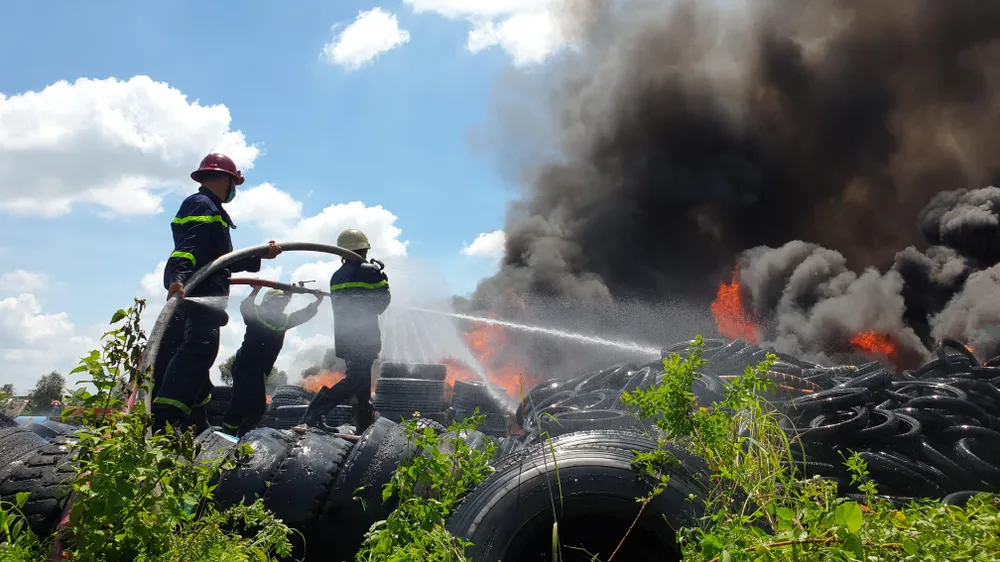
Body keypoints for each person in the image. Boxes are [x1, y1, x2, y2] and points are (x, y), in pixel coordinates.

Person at [151, 153, 282, 435]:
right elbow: (189, 246)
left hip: (203, 291)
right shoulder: (202, 204)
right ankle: (164, 420)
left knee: (200, 356)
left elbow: (222, 257)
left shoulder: (212, 209)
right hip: (198, 291)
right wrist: (179, 277)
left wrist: (262, 253)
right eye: (234, 183)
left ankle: (197, 422)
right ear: (225, 179)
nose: (234, 189)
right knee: (198, 349)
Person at [297, 229, 390, 433]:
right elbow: (381, 303)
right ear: (364, 250)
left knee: (362, 385)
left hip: (345, 338)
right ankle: (314, 413)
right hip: (364, 338)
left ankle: (363, 426)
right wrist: (383, 279)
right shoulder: (370, 271)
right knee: (356, 380)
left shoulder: (336, 276)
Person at [221, 287, 324, 436]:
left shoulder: (282, 320)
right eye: (279, 301)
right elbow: (245, 307)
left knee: (258, 408)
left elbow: (303, 314)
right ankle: (228, 435)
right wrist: (255, 290)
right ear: (269, 302)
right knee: (239, 403)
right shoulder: (258, 313)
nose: (282, 305)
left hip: (258, 370)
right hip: (244, 365)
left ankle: (243, 436)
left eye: (284, 302)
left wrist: (317, 302)